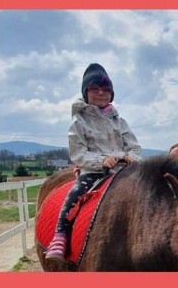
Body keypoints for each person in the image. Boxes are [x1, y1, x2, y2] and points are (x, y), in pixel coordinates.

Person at [45, 63, 142, 261]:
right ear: (85, 91)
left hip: (123, 171)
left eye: (106, 89)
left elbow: (134, 146)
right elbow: (78, 153)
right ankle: (60, 235)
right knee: (75, 193)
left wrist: (132, 157)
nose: (101, 92)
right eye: (94, 88)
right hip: (93, 171)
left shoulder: (120, 122)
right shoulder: (78, 123)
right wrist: (101, 160)